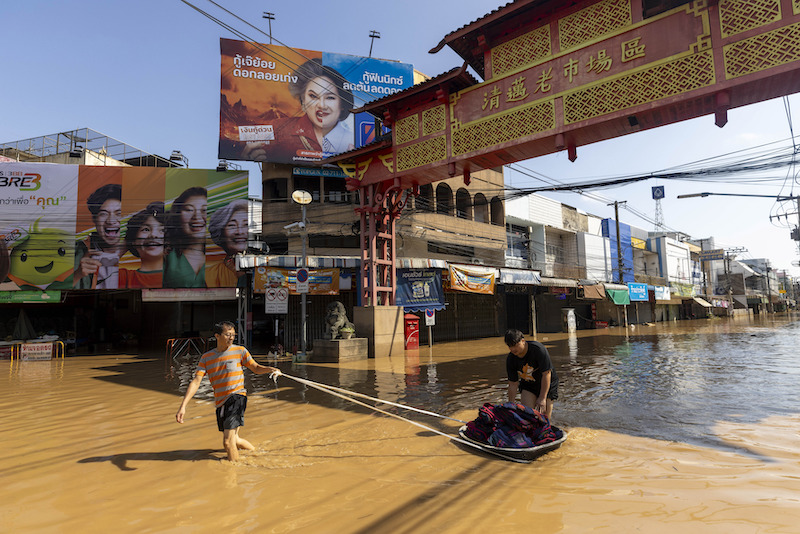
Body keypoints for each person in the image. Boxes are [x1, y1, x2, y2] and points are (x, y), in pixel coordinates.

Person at [175, 320, 282, 462]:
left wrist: (271, 369)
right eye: (227, 335)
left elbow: (255, 368)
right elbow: (196, 381)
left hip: (237, 397)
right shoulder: (206, 358)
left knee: (227, 442)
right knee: (235, 440)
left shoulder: (240, 351)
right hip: (220, 402)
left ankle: (233, 474)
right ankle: (258, 456)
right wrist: (183, 406)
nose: (231, 338)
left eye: (233, 335)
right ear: (217, 336)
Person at [242, 58, 355, 162]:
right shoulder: (278, 129)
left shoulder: (356, 140)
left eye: (330, 97)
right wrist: (247, 157)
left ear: (342, 104)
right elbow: (242, 138)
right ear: (303, 101)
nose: (322, 105)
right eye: (313, 96)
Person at [74, 184, 124, 289]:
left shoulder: (139, 251)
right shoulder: (77, 251)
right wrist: (77, 274)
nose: (111, 221)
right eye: (104, 214)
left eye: (118, 214)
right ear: (94, 219)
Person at [504, 329, 559, 420]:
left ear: (522, 341)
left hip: (547, 382)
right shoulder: (511, 359)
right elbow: (513, 384)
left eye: (515, 345)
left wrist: (542, 398)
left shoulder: (538, 350)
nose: (512, 349)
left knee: (544, 419)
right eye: (509, 346)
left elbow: (546, 374)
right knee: (527, 416)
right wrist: (510, 404)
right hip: (528, 384)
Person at [163, 187, 207, 288]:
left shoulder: (221, 256)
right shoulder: (166, 255)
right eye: (189, 210)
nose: (197, 217)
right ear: (177, 215)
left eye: (204, 210)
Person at [119, 202, 165, 288]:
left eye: (163, 230)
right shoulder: (124, 278)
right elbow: (94, 275)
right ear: (134, 241)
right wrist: (126, 243)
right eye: (146, 229)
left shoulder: (187, 276)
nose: (153, 235)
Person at [206, 199, 248, 288]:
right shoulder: (210, 275)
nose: (240, 232)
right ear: (220, 232)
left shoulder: (263, 270)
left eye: (246, 225)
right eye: (232, 225)